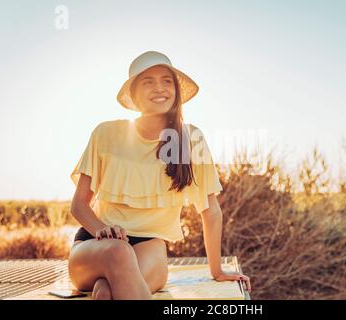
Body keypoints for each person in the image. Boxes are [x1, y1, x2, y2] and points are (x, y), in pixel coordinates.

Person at [67, 51, 252, 300]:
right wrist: (102, 230)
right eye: (148, 82)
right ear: (134, 94)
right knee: (118, 252)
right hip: (96, 245)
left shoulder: (191, 138)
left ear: (175, 90)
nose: (159, 88)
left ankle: (105, 287)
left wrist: (217, 271)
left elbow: (210, 210)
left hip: (149, 247)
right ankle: (107, 274)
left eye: (166, 81)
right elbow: (79, 205)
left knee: (106, 292)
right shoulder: (106, 133)